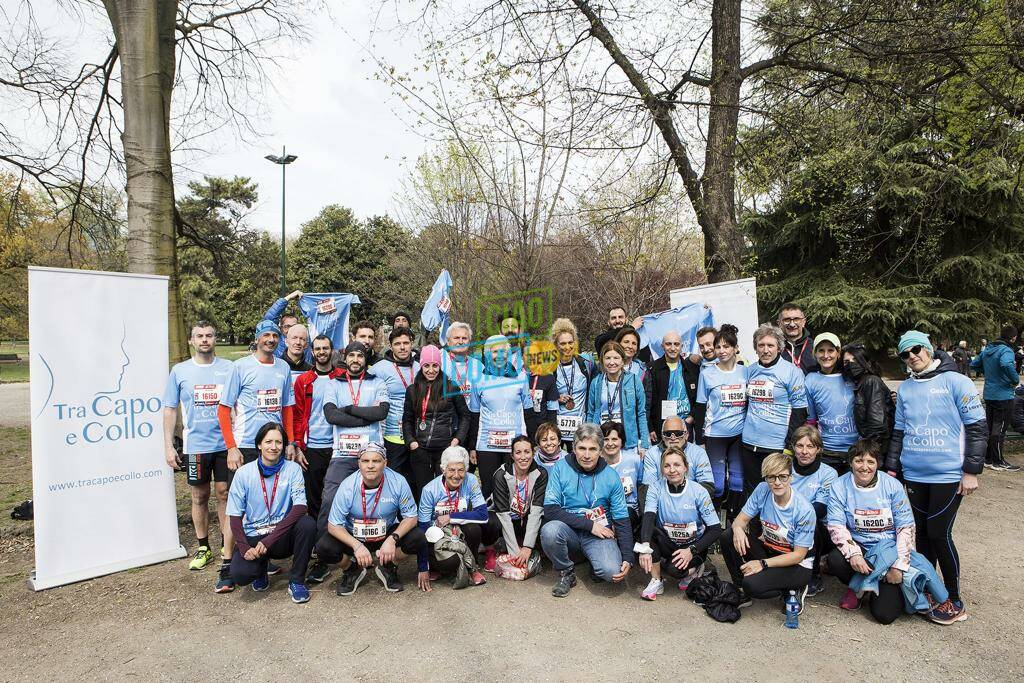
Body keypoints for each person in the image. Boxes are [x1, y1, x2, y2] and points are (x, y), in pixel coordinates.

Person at [886, 330, 987, 623]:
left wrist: (971, 471)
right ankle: (931, 590)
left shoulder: (957, 381)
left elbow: (977, 429)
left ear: (929, 349)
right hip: (915, 474)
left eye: (916, 349)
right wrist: (893, 469)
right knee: (923, 536)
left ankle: (955, 599)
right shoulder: (906, 388)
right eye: (905, 353)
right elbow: (899, 432)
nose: (912, 356)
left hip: (948, 474)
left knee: (939, 533)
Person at [216, 320, 296, 593]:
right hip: (247, 447)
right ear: (257, 339)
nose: (271, 339)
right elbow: (224, 409)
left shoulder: (283, 367)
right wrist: (231, 447)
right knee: (236, 506)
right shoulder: (240, 367)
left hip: (274, 445)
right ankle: (227, 564)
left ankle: (265, 554)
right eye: (266, 335)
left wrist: (290, 441)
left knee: (271, 502)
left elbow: (286, 408)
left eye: (275, 335)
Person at [827, 439, 943, 624]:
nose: (864, 467)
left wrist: (899, 565)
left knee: (885, 615)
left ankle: (872, 584)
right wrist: (853, 554)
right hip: (861, 549)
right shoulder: (839, 486)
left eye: (870, 461)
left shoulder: (892, 485)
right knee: (835, 560)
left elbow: (906, 527)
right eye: (858, 460)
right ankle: (857, 587)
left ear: (878, 464)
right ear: (850, 463)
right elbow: (836, 525)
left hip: (890, 550)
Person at [162, 321, 235, 571]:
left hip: (225, 444)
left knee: (225, 493)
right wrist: (168, 446)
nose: (205, 340)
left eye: (209, 335)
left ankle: (228, 544)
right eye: (199, 336)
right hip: (196, 446)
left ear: (216, 339)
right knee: (199, 495)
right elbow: (170, 409)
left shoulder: (229, 368)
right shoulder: (180, 371)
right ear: (192, 341)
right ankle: (203, 546)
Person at [315, 443, 426, 595]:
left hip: (385, 535)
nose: (370, 466)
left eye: (376, 461)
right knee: (323, 547)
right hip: (355, 536)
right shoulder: (347, 486)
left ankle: (389, 565)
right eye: (365, 461)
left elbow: (411, 517)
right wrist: (357, 546)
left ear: (385, 463)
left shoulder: (398, 482)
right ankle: (352, 569)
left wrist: (392, 539)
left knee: (418, 537)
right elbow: (333, 525)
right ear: (359, 463)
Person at [226, 422, 315, 604]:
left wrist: (269, 540)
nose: (274, 447)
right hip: (254, 534)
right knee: (241, 575)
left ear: (284, 446)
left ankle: (296, 581)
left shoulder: (293, 469)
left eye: (279, 442)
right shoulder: (243, 473)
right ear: (259, 444)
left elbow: (300, 507)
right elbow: (234, 516)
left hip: (280, 536)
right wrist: (244, 547)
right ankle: (260, 570)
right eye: (268, 442)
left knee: (307, 524)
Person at [540, 423, 633, 597]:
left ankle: (592, 561)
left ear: (601, 450)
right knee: (550, 530)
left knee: (611, 572)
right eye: (582, 448)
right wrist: (589, 525)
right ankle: (566, 572)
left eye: (593, 449)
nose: (587, 455)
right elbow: (551, 510)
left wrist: (628, 556)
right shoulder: (560, 468)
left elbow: (622, 518)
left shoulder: (611, 476)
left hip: (599, 534)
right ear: (574, 448)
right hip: (570, 531)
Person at [721, 452, 816, 612]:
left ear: (791, 477)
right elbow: (740, 521)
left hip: (797, 563)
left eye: (783, 477)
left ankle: (793, 588)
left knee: (752, 584)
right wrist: (737, 529)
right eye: (771, 477)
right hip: (771, 549)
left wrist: (762, 564)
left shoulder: (804, 509)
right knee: (728, 536)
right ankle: (741, 589)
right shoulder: (762, 489)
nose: (777, 482)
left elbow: (798, 555)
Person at [317, 341, 390, 546]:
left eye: (360, 355)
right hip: (342, 455)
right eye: (352, 355)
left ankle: (380, 547)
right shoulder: (333, 383)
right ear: (345, 358)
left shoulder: (377, 382)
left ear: (365, 359)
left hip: (372, 455)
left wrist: (348, 408)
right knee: (330, 499)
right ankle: (323, 550)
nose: (355, 359)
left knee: (378, 501)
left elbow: (381, 412)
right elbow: (331, 415)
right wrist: (366, 416)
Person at [636, 446, 723, 600]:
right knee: (648, 534)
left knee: (674, 571)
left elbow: (715, 529)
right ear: (662, 469)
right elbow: (648, 517)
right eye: (667, 465)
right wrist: (644, 547)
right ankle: (656, 580)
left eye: (677, 465)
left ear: (686, 468)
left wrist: (692, 550)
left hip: (693, 545)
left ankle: (696, 568)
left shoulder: (699, 491)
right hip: (669, 542)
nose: (672, 470)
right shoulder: (656, 488)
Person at [740, 323, 807, 499]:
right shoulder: (751, 370)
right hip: (749, 443)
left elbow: (800, 412)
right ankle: (753, 527)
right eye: (761, 345)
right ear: (755, 348)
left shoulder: (792, 372)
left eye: (770, 345)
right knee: (752, 492)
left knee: (776, 492)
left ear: (779, 347)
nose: (766, 350)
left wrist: (789, 446)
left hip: (776, 446)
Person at [416, 446, 493, 591]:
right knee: (450, 562)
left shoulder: (471, 480)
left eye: (461, 470)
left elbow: (483, 515)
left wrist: (451, 517)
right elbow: (422, 528)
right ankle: (436, 565)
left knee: (474, 529)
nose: (456, 475)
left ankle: (472, 567)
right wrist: (423, 567)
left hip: (459, 531)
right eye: (451, 470)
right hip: (438, 535)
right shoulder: (429, 490)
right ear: (443, 470)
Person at [402, 344, 471, 499]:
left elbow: (465, 416)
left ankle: (445, 522)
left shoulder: (451, 387)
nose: (431, 370)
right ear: (421, 366)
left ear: (440, 366)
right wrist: (411, 442)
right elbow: (407, 419)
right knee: (423, 492)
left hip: (445, 449)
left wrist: (456, 439)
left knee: (444, 491)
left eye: (435, 366)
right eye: (426, 366)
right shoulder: (413, 390)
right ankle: (424, 522)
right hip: (420, 449)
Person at [694, 324, 748, 516]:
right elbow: (700, 408)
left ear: (735, 348)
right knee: (717, 484)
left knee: (738, 481)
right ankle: (713, 522)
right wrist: (699, 440)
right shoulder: (706, 373)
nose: (721, 351)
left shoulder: (745, 372)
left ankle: (734, 522)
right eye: (718, 347)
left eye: (726, 346)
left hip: (740, 434)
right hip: (715, 434)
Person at [469, 335, 531, 500]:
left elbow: (529, 412)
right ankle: (489, 525)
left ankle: (515, 525)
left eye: (503, 351)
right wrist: (473, 446)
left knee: (514, 491)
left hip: (515, 444)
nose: (499, 356)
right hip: (487, 445)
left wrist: (531, 443)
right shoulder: (479, 379)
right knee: (489, 490)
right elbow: (474, 415)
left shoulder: (520, 377)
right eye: (494, 352)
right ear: (488, 354)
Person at [290, 334, 343, 521]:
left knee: (338, 493)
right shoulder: (303, 380)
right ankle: (315, 537)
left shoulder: (342, 378)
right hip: (312, 446)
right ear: (312, 352)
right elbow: (296, 415)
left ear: (332, 351)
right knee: (313, 495)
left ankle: (337, 533)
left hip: (338, 446)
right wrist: (297, 446)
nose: (322, 352)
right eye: (318, 349)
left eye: (325, 348)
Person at [487, 435, 547, 576]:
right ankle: (493, 548)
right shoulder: (501, 475)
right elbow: (503, 515)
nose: (523, 457)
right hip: (504, 520)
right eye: (518, 452)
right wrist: (515, 554)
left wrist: (527, 547)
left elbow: (536, 511)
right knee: (491, 522)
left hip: (524, 518)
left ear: (534, 453)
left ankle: (526, 546)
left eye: (527, 452)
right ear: (512, 455)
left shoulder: (541, 473)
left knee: (545, 521)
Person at [789, 425, 837, 596]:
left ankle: (813, 574)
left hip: (818, 531)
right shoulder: (785, 467)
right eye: (800, 446)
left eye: (810, 446)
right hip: (784, 521)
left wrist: (792, 520)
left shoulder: (828, 473)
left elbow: (821, 509)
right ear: (793, 447)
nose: (804, 451)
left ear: (818, 449)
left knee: (811, 522)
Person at [370, 326, 421, 485]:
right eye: (398, 343)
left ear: (411, 344)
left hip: (416, 434)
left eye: (406, 343)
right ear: (391, 346)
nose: (402, 347)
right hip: (391, 435)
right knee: (393, 480)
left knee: (414, 479)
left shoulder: (420, 368)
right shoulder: (379, 369)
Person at [804, 333, 858, 474]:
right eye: (821, 350)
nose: (826, 355)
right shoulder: (811, 379)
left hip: (855, 450)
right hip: (826, 451)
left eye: (831, 350)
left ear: (838, 352)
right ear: (814, 353)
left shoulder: (852, 376)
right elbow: (811, 420)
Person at [971, 324, 1021, 471]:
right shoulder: (1006, 350)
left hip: (989, 394)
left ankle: (988, 458)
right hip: (1003, 395)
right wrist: (1015, 380)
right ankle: (998, 461)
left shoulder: (989, 349)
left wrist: (987, 371)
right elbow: (1006, 364)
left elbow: (974, 364)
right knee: (999, 429)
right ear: (1013, 338)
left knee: (991, 426)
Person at [586, 341, 650, 454]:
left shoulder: (634, 381)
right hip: (602, 441)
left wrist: (644, 443)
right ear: (602, 361)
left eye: (616, 358)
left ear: (622, 361)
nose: (612, 362)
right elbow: (591, 413)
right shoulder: (596, 383)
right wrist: (589, 440)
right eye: (608, 358)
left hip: (628, 442)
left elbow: (641, 413)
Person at [641, 416, 715, 498]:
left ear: (686, 435)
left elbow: (708, 487)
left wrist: (682, 502)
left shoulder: (699, 453)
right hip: (661, 504)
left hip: (692, 505)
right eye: (668, 434)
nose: (673, 438)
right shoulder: (651, 454)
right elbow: (647, 489)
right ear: (662, 436)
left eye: (678, 433)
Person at [842, 343, 895, 455]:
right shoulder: (860, 383)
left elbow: (877, 426)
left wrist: (868, 453)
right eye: (846, 362)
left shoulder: (870, 382)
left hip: (876, 451)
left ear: (864, 362)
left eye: (855, 360)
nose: (851, 365)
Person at [551, 318, 594, 449]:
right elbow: (544, 395)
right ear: (556, 344)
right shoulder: (550, 367)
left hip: (580, 426)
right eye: (562, 343)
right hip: (558, 426)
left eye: (570, 342)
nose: (567, 347)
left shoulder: (586, 363)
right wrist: (557, 398)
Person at [646, 331, 693, 445]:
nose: (672, 348)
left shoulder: (691, 368)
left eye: (676, 344)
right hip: (662, 426)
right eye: (668, 344)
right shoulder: (653, 369)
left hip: (685, 424)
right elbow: (649, 401)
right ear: (662, 346)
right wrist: (650, 427)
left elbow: (698, 398)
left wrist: (691, 418)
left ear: (682, 346)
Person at [600, 421, 644, 534]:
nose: (610, 443)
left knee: (625, 517)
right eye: (606, 439)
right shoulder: (595, 462)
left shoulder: (634, 460)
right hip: (603, 511)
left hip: (628, 509)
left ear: (622, 441)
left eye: (614, 439)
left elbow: (640, 486)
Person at [443, 322, 485, 399]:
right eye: (456, 338)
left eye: (464, 338)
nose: (460, 342)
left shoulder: (479, 366)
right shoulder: (439, 363)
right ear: (448, 342)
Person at [777, 302, 817, 374]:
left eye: (796, 319)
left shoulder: (815, 347)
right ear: (779, 323)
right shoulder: (775, 348)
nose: (792, 324)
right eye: (787, 320)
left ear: (803, 322)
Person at [262, 289, 303, 358]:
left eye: (294, 326)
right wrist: (288, 298)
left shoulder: (304, 341)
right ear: (281, 328)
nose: (290, 329)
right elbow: (269, 318)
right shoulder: (276, 341)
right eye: (287, 326)